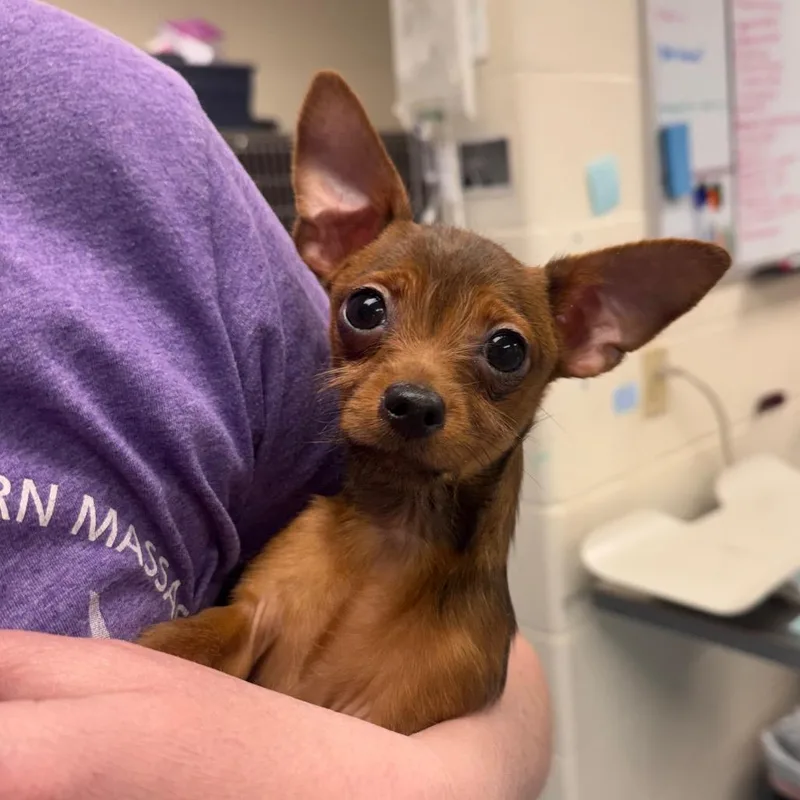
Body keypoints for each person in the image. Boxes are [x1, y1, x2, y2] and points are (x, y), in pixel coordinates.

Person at [0, 1, 552, 797]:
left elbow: (497, 671)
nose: (415, 385)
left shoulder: (123, 117)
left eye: (500, 351)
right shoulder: (315, 532)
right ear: (329, 236)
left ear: (587, 334)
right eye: (370, 312)